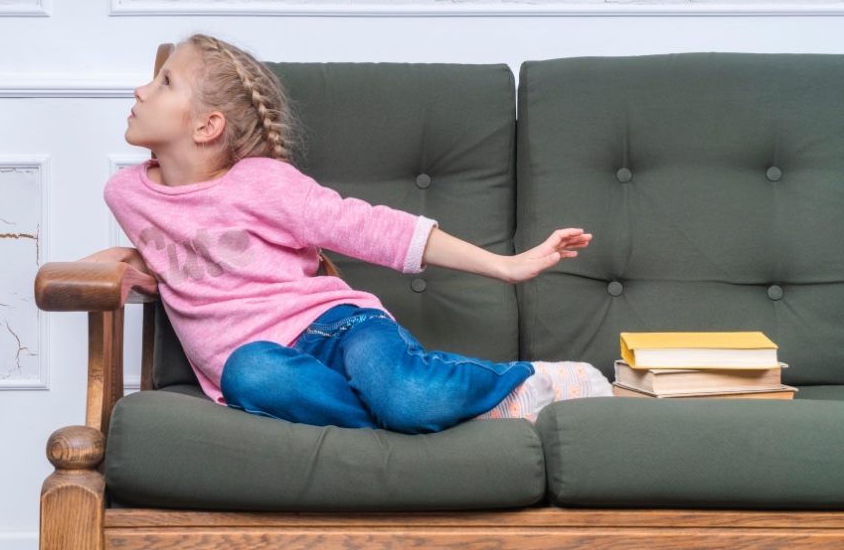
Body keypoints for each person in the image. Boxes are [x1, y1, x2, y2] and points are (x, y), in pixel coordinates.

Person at [85, 33, 612, 435]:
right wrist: (130, 263)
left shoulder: (263, 184)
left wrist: (507, 264)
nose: (141, 89)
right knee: (249, 374)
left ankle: (523, 381)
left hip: (338, 326)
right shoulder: (126, 195)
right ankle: (436, 418)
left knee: (405, 395)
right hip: (259, 360)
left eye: (165, 83)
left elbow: (371, 227)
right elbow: (181, 251)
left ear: (207, 126)